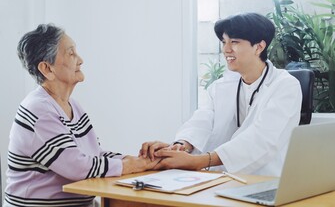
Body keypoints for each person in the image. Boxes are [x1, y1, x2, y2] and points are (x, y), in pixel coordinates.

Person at [4, 24, 160, 207]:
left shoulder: (71, 105)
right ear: (47, 69)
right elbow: (77, 166)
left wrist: (134, 159)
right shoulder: (38, 110)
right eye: (71, 54)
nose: (80, 60)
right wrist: (133, 165)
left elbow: (93, 155)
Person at [139, 13, 302, 176]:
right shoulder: (221, 86)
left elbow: (262, 139)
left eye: (234, 42)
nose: (226, 49)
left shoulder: (285, 85)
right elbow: (202, 120)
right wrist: (181, 145)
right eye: (224, 42)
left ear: (259, 47)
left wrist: (199, 161)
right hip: (221, 178)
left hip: (265, 179)